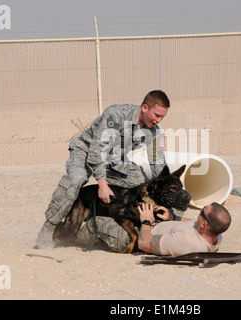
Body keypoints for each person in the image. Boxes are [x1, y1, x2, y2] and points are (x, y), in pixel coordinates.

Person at [36, 90, 171, 250]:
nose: (159, 120)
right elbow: (96, 150)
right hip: (86, 151)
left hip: (113, 160)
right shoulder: (116, 115)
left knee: (141, 183)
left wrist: (167, 189)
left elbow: (158, 163)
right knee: (76, 179)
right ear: (144, 108)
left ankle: (130, 224)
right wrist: (102, 183)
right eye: (156, 115)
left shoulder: (154, 132)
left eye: (162, 117)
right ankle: (48, 227)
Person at [138, 202, 231, 256]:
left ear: (204, 224)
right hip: (157, 222)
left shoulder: (185, 241)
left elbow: (143, 243)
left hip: (142, 232)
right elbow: (193, 222)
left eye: (202, 211)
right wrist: (172, 217)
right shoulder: (217, 235)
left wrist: (146, 221)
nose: (199, 211)